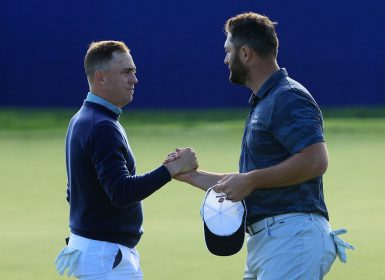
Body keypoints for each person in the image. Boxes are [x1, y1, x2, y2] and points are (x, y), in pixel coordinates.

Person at [167, 12, 353, 279]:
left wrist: (252, 179)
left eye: (228, 51)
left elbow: (316, 160)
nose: (225, 59)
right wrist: (191, 176)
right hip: (272, 242)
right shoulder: (265, 100)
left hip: (292, 240)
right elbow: (245, 181)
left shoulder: (287, 97)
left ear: (245, 54)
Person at [54, 40, 198, 280]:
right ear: (100, 78)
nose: (134, 79)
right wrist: (170, 169)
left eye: (134, 71)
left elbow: (75, 193)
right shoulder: (102, 126)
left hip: (95, 252)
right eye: (126, 72)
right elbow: (121, 192)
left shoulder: (83, 119)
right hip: (105, 258)